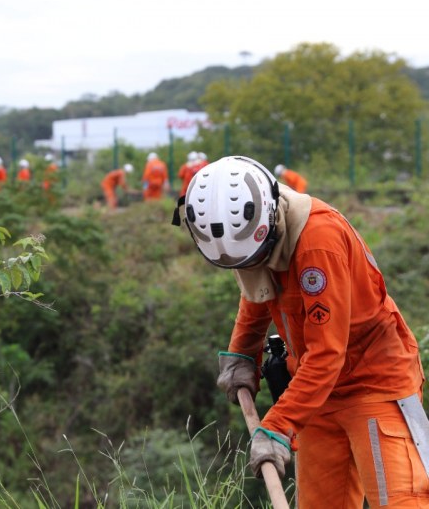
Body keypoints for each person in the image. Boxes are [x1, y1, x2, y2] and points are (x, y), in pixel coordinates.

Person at [174, 155, 428, 507]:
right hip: (313, 393)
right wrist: (242, 353)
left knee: (402, 501)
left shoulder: (318, 243)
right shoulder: (257, 237)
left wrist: (276, 426)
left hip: (375, 385)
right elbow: (258, 288)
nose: (251, 267)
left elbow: (328, 353)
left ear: (270, 220)